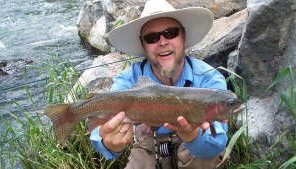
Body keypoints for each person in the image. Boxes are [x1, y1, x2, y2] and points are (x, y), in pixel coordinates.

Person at [89, 0, 228, 168]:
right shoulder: (128, 80)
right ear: (143, 45)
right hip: (149, 148)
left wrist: (193, 135)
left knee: (205, 154)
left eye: (171, 33)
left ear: (184, 37)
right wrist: (108, 143)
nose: (162, 41)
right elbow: (100, 130)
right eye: (152, 37)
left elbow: (217, 144)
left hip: (195, 149)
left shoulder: (209, 80)